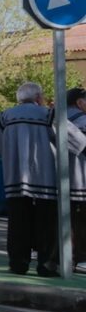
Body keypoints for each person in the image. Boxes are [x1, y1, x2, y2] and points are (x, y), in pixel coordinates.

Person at [0, 82, 86, 276]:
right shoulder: (49, 115)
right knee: (48, 223)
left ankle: (18, 263)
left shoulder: (3, 117)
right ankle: (46, 265)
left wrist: (11, 157)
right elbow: (78, 141)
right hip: (45, 177)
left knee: (17, 221)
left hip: (15, 177)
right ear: (38, 97)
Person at [68, 88, 86, 272]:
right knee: (81, 221)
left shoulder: (54, 118)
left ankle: (67, 258)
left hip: (59, 182)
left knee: (68, 221)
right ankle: (80, 259)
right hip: (82, 180)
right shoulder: (83, 119)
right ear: (80, 103)